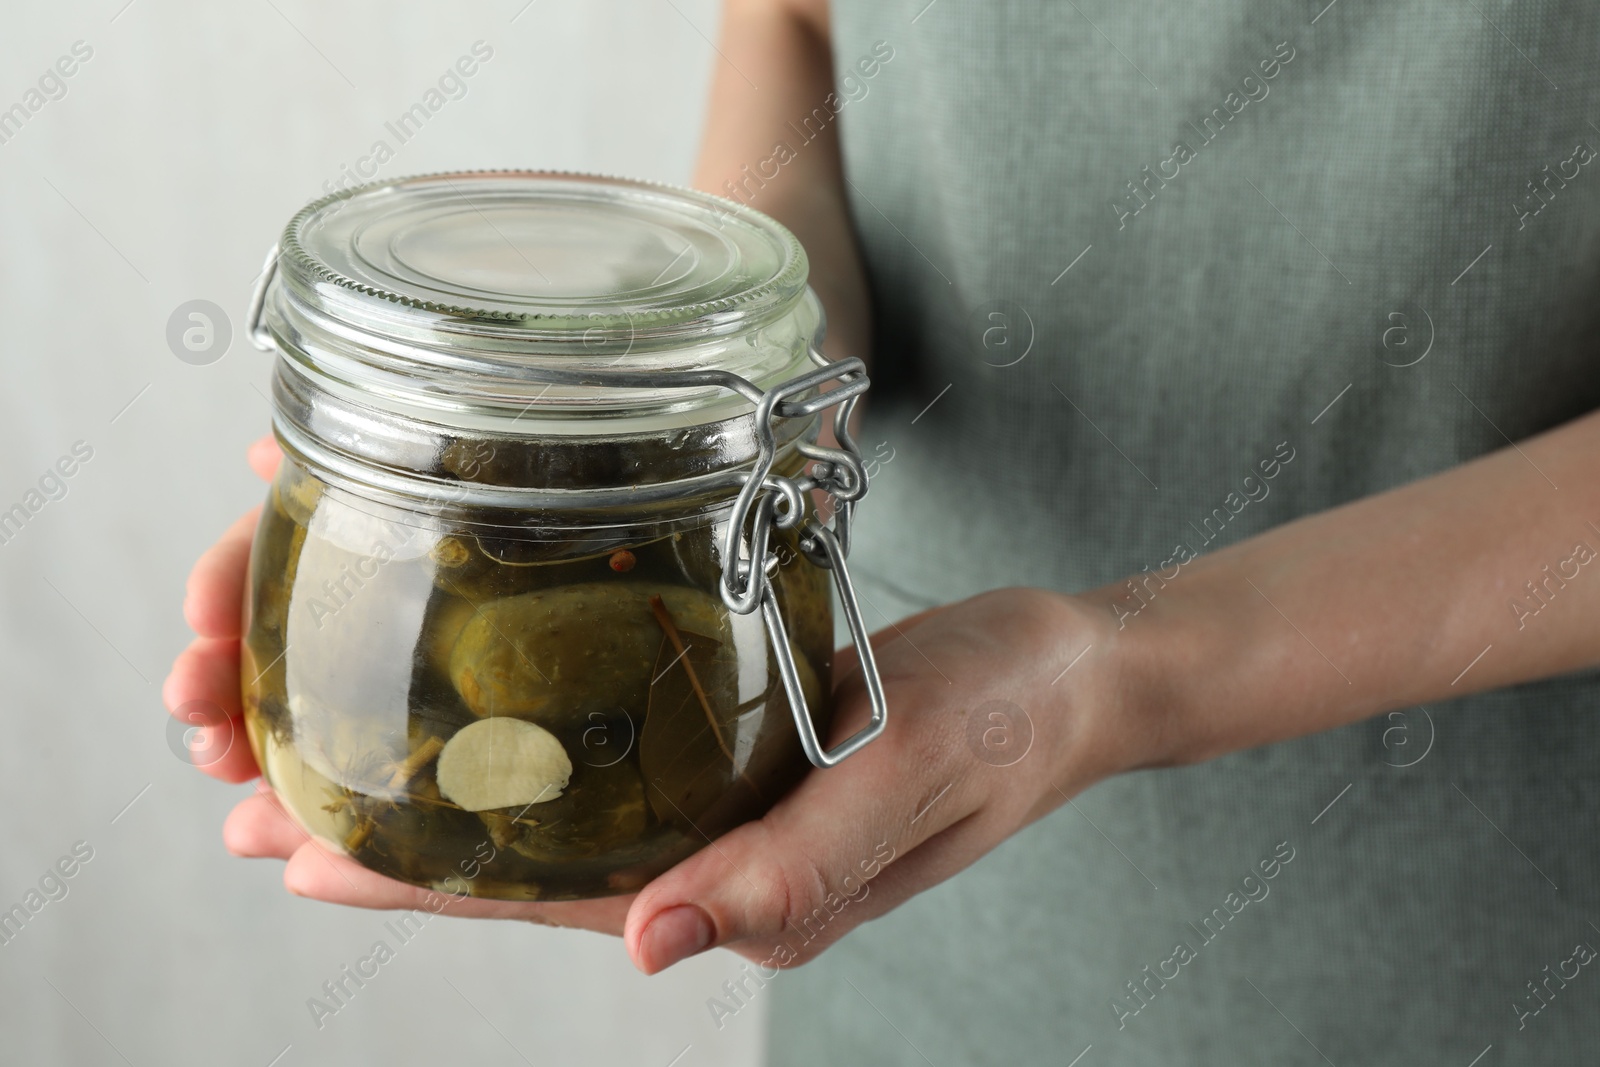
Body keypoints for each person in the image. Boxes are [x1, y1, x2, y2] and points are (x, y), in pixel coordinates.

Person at [166, 0, 1600, 1061]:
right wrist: (693, 423)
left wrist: (1116, 669)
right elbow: (794, 25)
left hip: (1491, 928)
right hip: (919, 892)